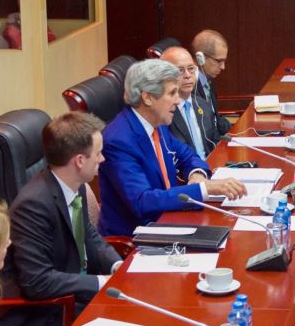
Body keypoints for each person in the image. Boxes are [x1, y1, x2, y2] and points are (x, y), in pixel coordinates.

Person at [0, 112, 124, 326]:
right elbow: (37, 282)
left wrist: (117, 266)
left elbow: (88, 235)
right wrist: (101, 282)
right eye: (98, 154)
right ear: (80, 160)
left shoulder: (75, 182)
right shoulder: (33, 205)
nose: (102, 159)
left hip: (76, 295)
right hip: (46, 314)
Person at [98, 59, 245, 236]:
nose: (177, 100)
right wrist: (206, 189)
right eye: (172, 93)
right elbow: (142, 201)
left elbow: (187, 155)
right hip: (140, 237)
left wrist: (197, 175)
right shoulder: (119, 140)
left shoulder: (157, 123)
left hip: (172, 218)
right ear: (148, 97)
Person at [161, 46, 220, 157]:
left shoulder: (203, 105)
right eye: (180, 70)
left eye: (191, 68)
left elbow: (215, 141)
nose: (188, 75)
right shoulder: (163, 114)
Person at [192, 29, 232, 136]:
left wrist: (238, 131)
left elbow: (215, 119)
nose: (223, 67)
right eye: (219, 61)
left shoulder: (207, 78)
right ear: (200, 58)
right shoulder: (190, 88)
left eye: (224, 61)